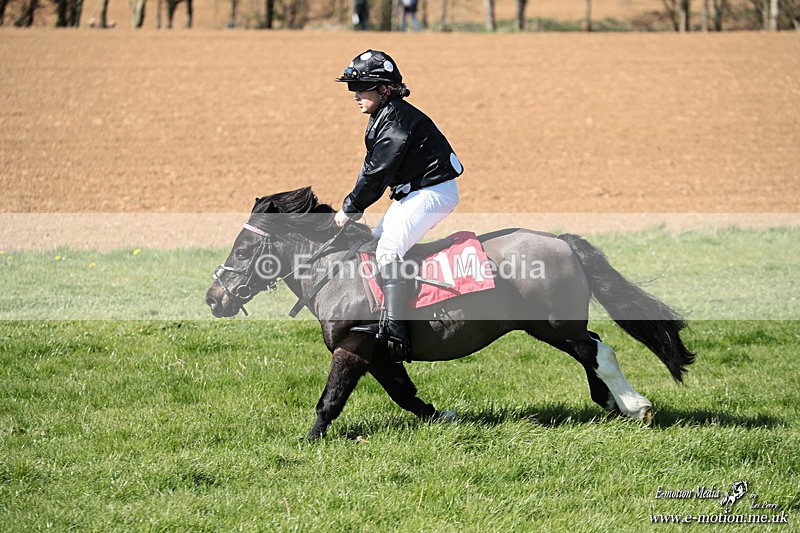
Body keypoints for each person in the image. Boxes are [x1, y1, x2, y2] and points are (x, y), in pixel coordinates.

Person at [334, 49, 463, 360]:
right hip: (415, 192)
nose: (355, 95)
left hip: (434, 192)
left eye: (361, 88)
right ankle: (382, 313)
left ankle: (396, 330)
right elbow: (371, 169)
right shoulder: (386, 115)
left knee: (388, 251)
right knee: (377, 243)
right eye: (352, 88)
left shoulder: (396, 121)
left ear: (384, 89)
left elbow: (377, 174)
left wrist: (350, 208)